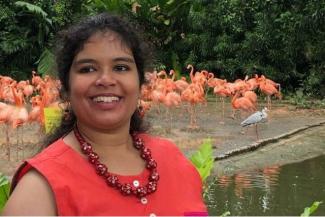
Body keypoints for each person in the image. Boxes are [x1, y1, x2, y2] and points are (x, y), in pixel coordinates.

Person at [2, 13, 207, 216]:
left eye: (121, 67)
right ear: (66, 88)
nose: (106, 80)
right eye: (88, 69)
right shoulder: (38, 189)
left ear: (140, 83)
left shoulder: (174, 160)